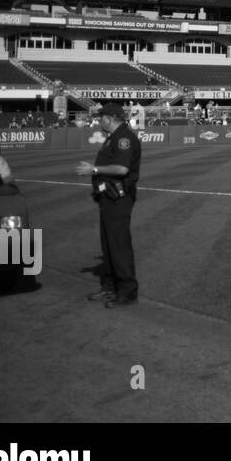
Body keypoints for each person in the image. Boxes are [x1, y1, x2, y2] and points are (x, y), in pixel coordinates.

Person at [74, 102, 142, 308]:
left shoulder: (124, 138)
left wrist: (93, 170)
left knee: (118, 244)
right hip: (108, 197)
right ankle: (111, 287)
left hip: (119, 198)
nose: (98, 120)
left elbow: (121, 169)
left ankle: (127, 291)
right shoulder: (114, 137)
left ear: (110, 118)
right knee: (108, 244)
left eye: (101, 117)